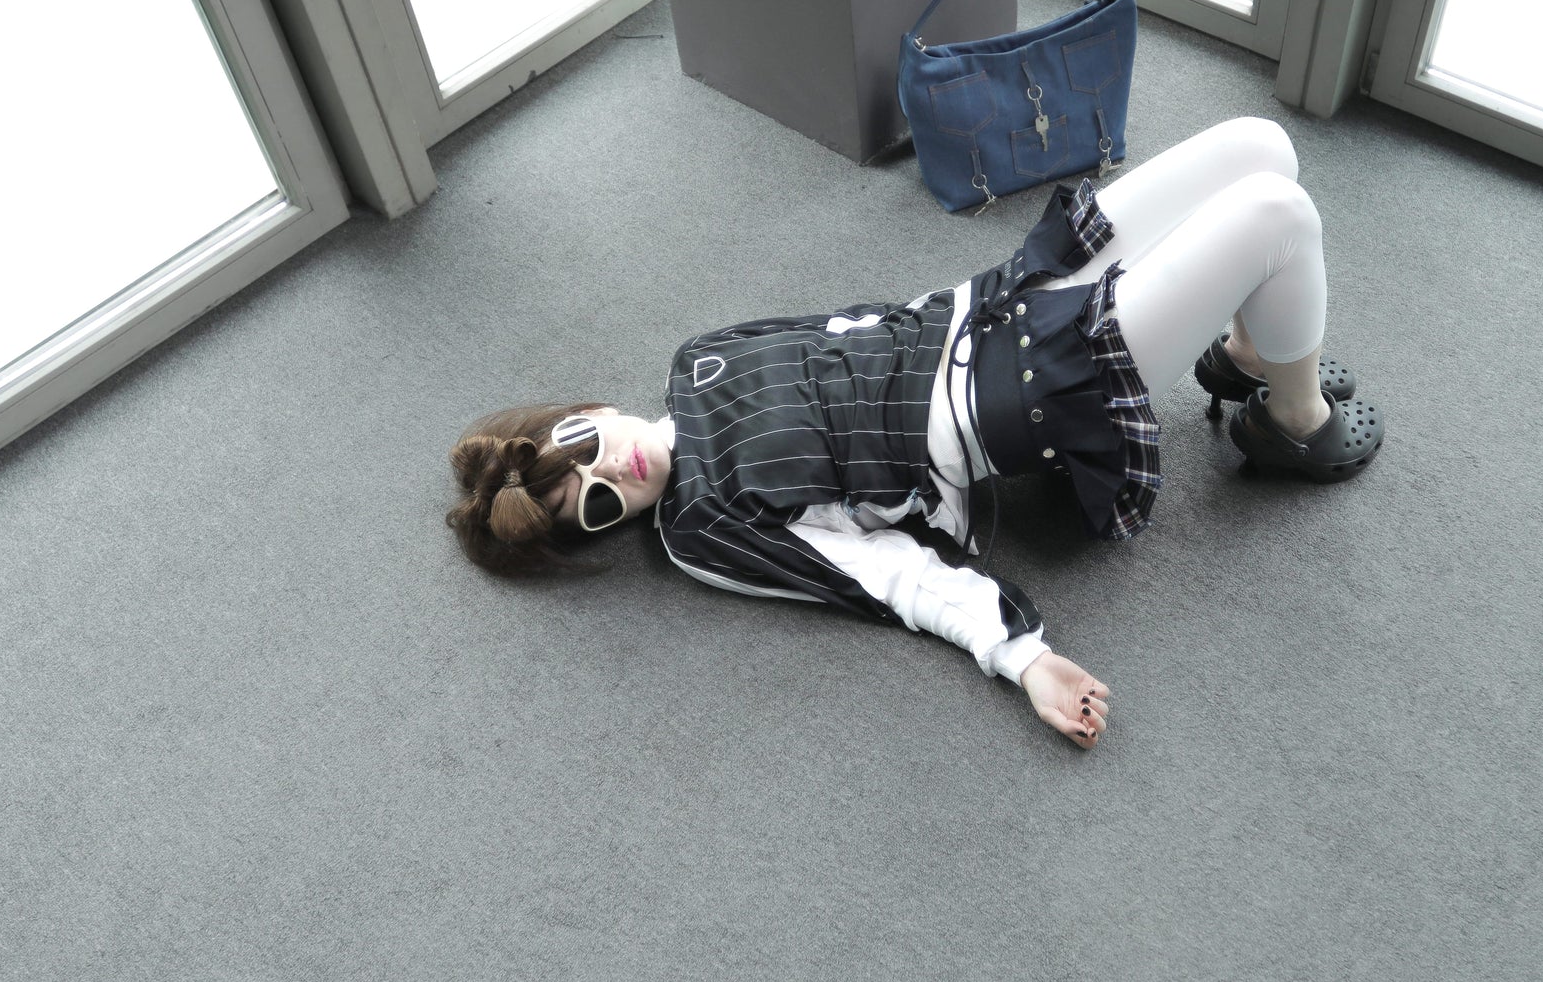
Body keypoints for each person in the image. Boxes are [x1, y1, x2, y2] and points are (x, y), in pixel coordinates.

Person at [446, 117, 1383, 750]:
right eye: (601, 506)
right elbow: (884, 575)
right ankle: (1289, 422)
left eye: (584, 450)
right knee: (1278, 217)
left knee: (1265, 148)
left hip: (994, 300)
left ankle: (1250, 350)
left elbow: (857, 327)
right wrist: (1023, 656)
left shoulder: (698, 358)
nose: (620, 472)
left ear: (583, 414)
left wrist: (1009, 287)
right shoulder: (700, 530)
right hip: (1023, 393)